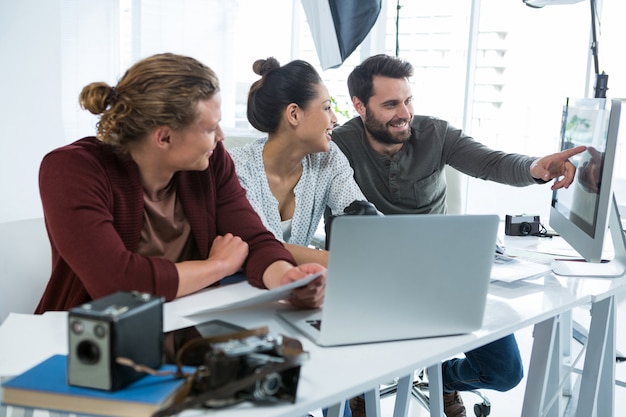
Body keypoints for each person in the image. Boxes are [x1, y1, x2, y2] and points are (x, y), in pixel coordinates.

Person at [329, 54, 587, 417]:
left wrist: (535, 168)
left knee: (504, 372)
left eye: (408, 100)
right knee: (337, 390)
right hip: (368, 281)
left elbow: (491, 162)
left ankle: (445, 379)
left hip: (439, 273)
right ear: (359, 106)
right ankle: (361, 388)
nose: (404, 112)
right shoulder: (337, 145)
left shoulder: (436, 133)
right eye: (390, 104)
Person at [35, 53, 325, 314]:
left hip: (184, 327)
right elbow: (117, 283)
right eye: (211, 128)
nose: (221, 137)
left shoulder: (210, 161)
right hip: (90, 341)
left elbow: (254, 239)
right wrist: (218, 266)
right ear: (164, 137)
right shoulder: (70, 170)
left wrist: (287, 279)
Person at [228, 57, 373, 267]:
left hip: (297, 286)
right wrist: (341, 261)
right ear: (294, 114)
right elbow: (257, 245)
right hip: (239, 286)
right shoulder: (238, 168)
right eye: (326, 108)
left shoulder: (328, 158)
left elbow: (361, 215)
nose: (334, 119)